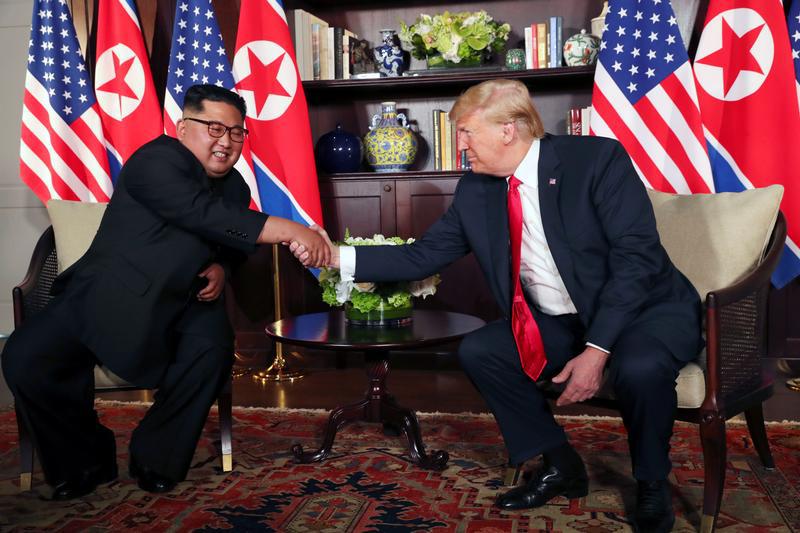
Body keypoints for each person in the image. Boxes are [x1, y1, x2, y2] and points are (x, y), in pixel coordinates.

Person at [295, 79, 702, 532]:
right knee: (482, 350)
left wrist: (598, 349)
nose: (460, 145)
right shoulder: (476, 190)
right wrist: (335, 255)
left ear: (509, 129)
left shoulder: (596, 161)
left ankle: (651, 482)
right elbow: (422, 256)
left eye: (467, 132)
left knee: (639, 368)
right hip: (563, 318)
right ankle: (560, 463)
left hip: (647, 309)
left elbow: (636, 262)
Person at [1, 84, 329, 500]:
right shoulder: (154, 160)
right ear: (182, 127)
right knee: (25, 357)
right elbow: (199, 212)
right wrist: (294, 230)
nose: (226, 142)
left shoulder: (236, 187)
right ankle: (83, 460)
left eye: (236, 132)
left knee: (210, 350)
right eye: (214, 128)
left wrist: (222, 268)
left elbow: (226, 238)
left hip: (186, 299)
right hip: (106, 291)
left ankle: (156, 457)